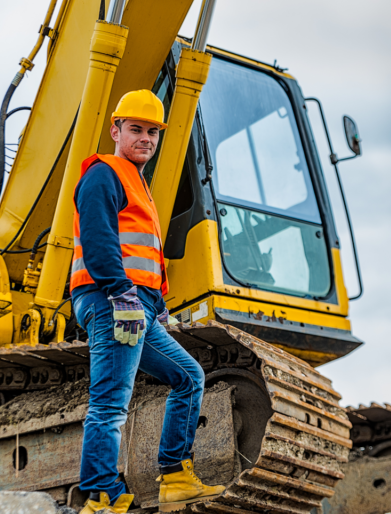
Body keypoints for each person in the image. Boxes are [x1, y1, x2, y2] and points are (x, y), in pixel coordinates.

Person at [71, 89, 225, 513]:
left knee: (188, 377)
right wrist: (121, 293)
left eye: (152, 132)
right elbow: (101, 241)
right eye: (135, 129)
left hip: (135, 301)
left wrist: (156, 303)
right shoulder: (105, 174)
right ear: (115, 130)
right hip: (110, 298)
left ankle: (174, 476)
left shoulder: (138, 182)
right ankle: (101, 497)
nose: (145, 139)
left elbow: (142, 255)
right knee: (110, 402)